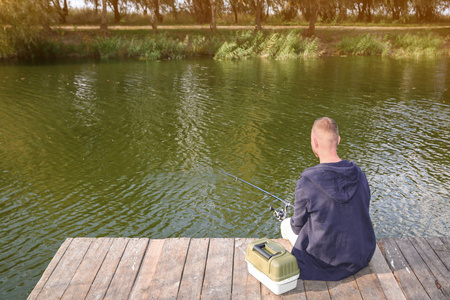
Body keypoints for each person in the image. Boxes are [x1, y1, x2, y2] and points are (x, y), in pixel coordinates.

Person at [281, 117, 376, 281]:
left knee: (285, 224)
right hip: (360, 256)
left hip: (323, 263)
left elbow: (296, 227)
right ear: (338, 140)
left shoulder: (307, 182)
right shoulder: (360, 175)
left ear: (314, 143)